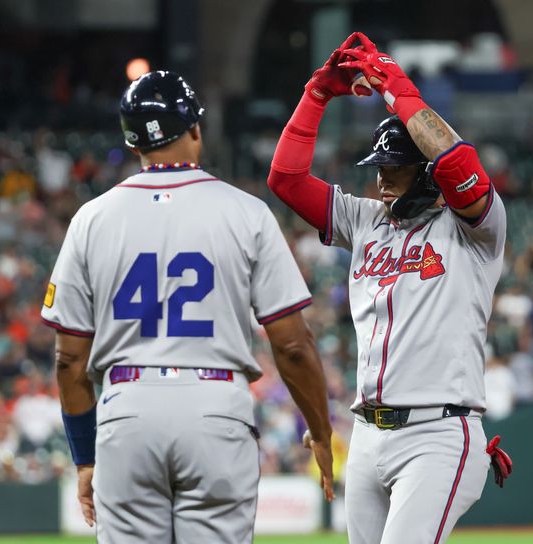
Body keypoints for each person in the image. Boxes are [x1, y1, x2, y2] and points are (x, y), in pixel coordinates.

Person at [41, 70, 334, 543]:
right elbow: (294, 345)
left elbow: (68, 358)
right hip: (217, 407)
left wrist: (85, 458)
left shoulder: (90, 219)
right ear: (196, 128)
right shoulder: (246, 211)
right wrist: (320, 431)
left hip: (126, 407)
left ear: (134, 143)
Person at [268, 33, 512, 543]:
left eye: (395, 168)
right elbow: (286, 179)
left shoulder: (476, 229)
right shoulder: (365, 221)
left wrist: (396, 86)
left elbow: (457, 165)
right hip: (368, 433)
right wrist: (316, 94)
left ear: (425, 173)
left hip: (438, 432)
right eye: (379, 168)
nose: (382, 180)